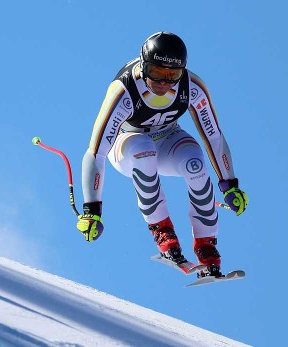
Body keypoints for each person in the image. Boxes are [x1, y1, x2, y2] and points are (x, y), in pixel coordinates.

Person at [76, 32, 248, 277]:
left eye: (172, 75)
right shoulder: (124, 90)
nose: (164, 83)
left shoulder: (192, 87)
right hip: (126, 145)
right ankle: (163, 233)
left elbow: (214, 136)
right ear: (144, 65)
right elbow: (96, 152)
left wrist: (229, 183)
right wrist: (92, 210)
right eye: (157, 73)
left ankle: (207, 246)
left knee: (195, 163)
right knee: (144, 152)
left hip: (168, 136)